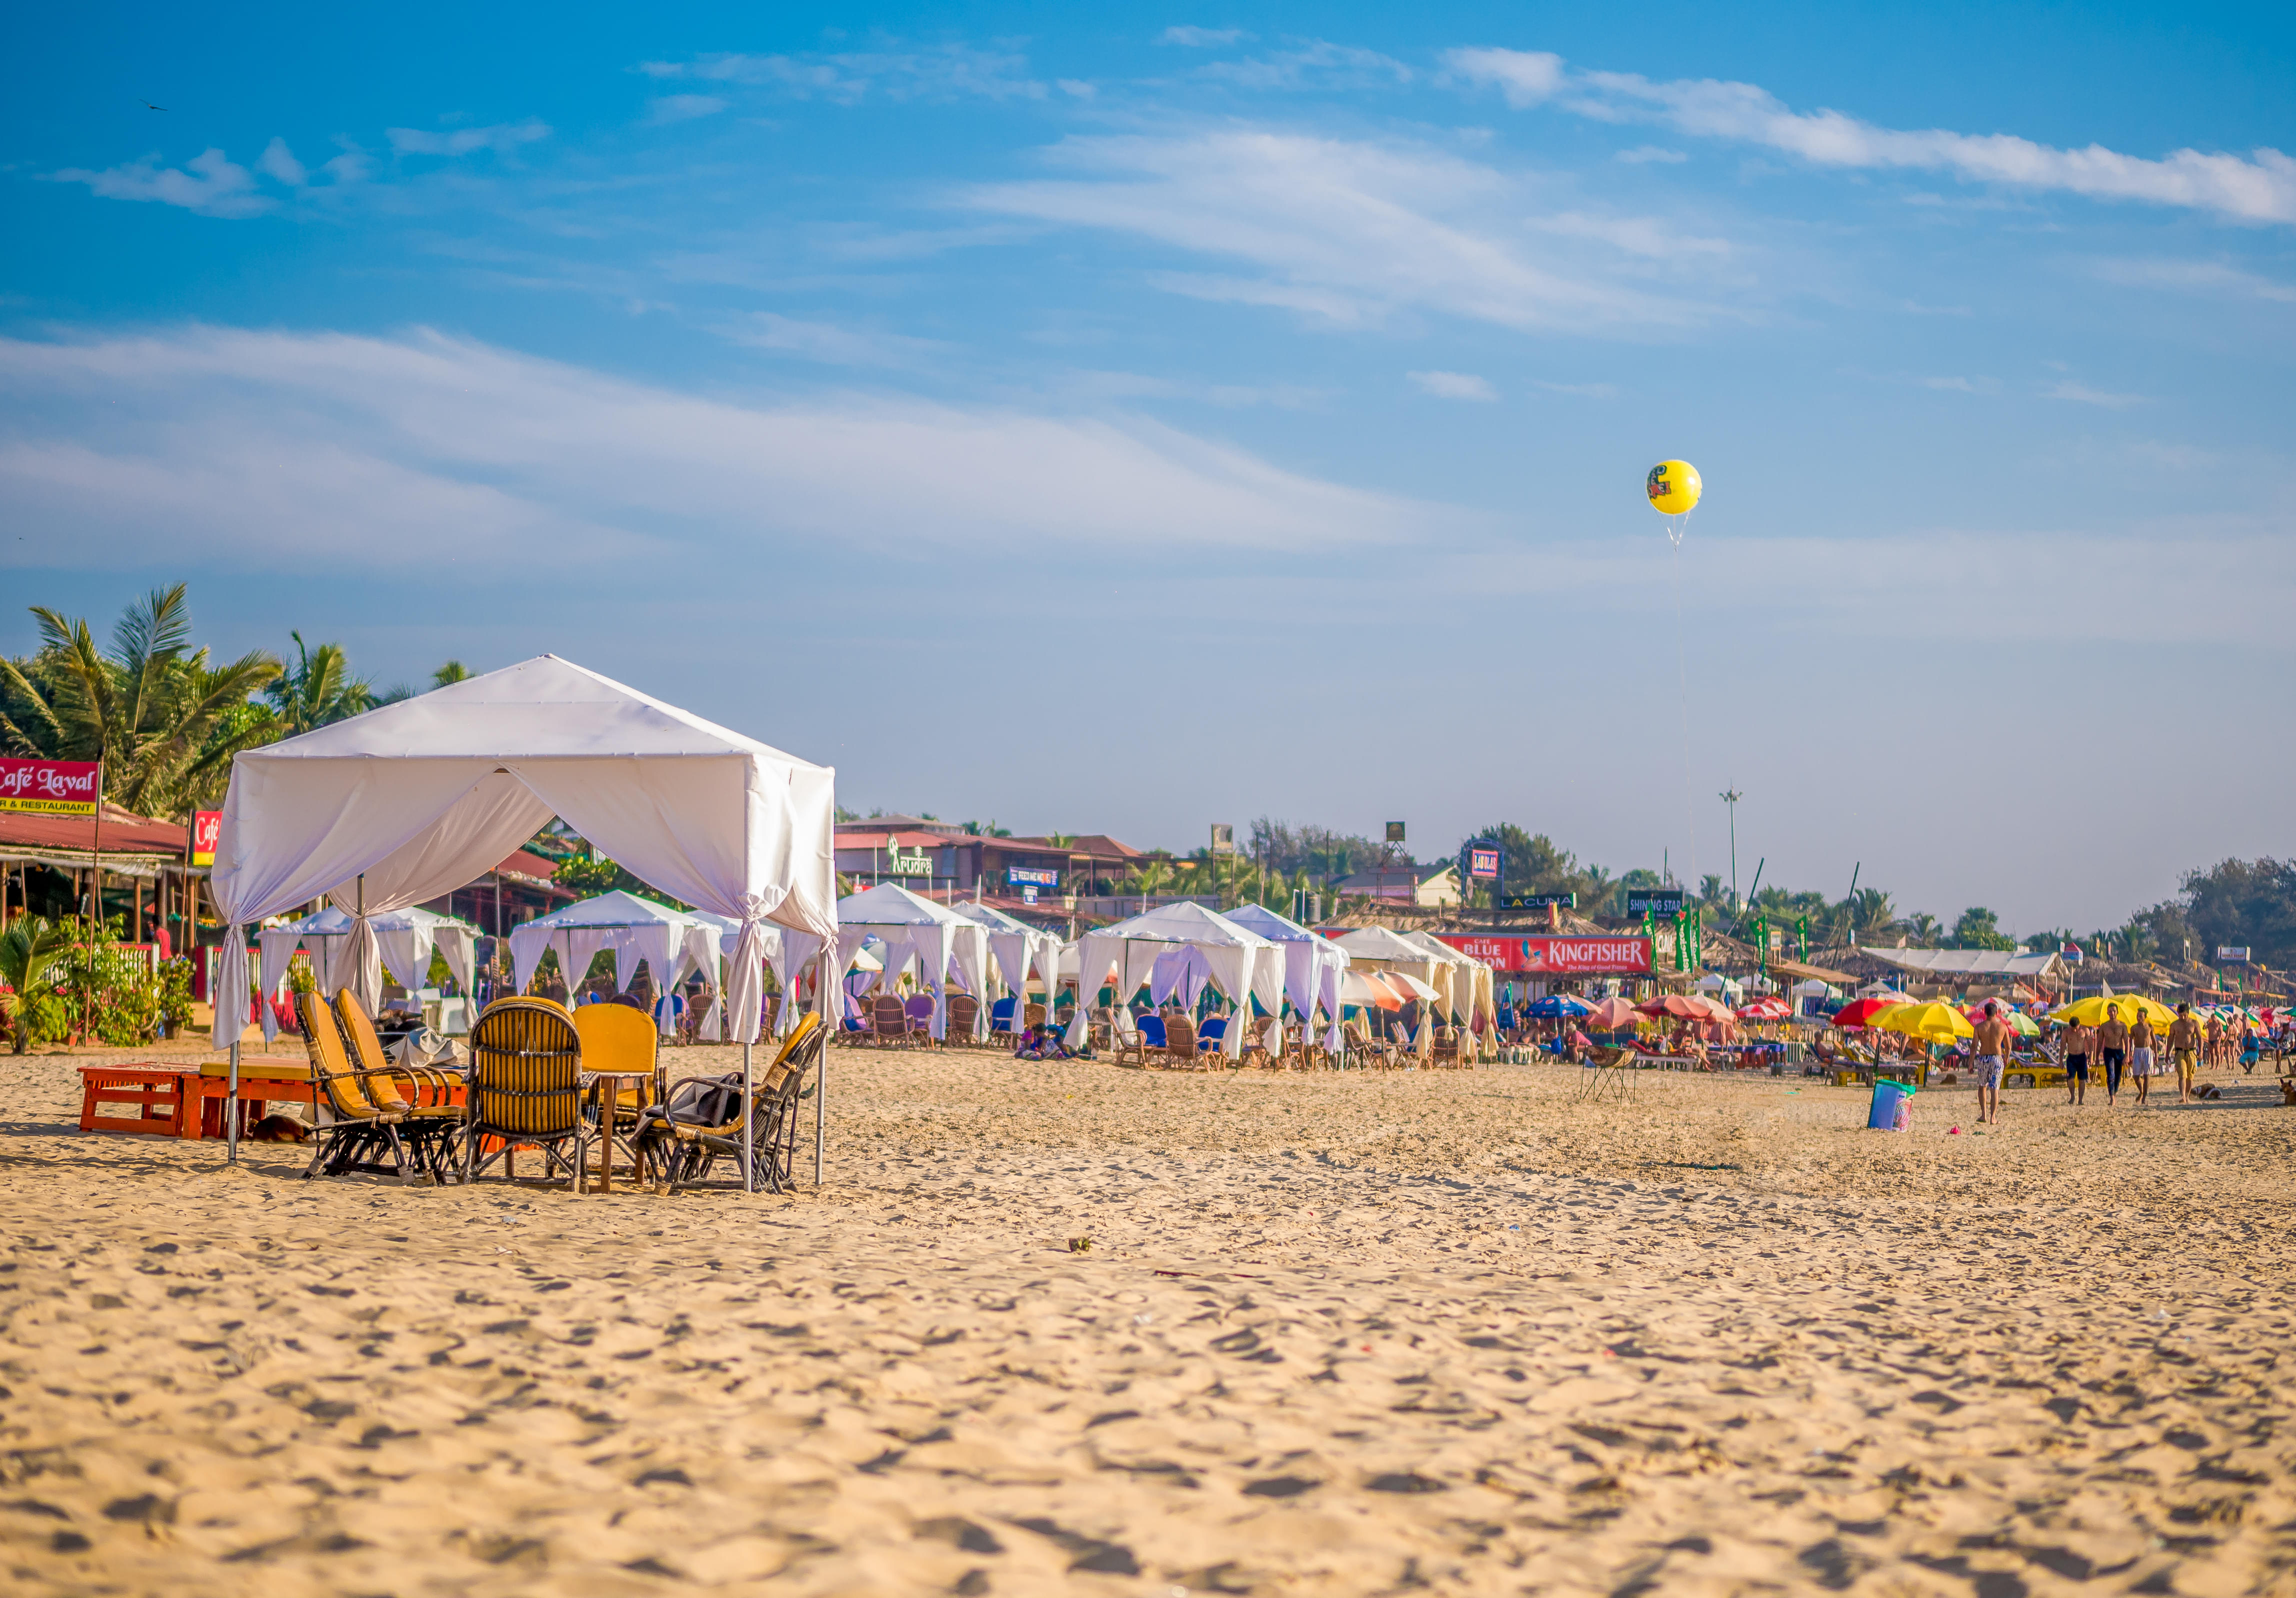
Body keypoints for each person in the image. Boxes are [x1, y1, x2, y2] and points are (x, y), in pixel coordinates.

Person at [1971, 1000, 2012, 1124]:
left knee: (1982, 1087)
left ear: (1985, 1013)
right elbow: (2008, 1046)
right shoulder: (2003, 1027)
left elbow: (1974, 1046)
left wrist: (1970, 1063)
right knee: (1995, 1089)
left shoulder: (1979, 1027)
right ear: (1997, 1013)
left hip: (1984, 1059)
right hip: (1997, 1058)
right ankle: (1993, 1117)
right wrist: (2007, 1057)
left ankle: (1984, 1115)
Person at [2168, 1003, 2203, 1104]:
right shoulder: (2174, 1025)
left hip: (2192, 1052)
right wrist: (2167, 1054)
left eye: (2185, 1015)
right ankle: (2183, 1096)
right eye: (2181, 1015)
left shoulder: (2194, 1023)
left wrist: (2201, 1052)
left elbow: (2200, 1038)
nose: (2183, 1017)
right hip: (2179, 1052)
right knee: (2182, 1075)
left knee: (2190, 1076)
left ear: (2188, 1013)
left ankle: (2187, 1096)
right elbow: (2170, 1040)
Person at [2097, 1004, 2129, 1104]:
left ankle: (2114, 1093)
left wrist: (2127, 1055)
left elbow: (2127, 1041)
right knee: (2111, 1075)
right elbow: (2099, 1042)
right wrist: (2097, 1057)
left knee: (2118, 1076)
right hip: (2109, 1051)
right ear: (2107, 1012)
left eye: (2114, 1011)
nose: (2112, 1013)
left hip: (2119, 1051)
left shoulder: (2122, 1026)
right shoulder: (2104, 1026)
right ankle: (2112, 1097)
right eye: (2110, 1011)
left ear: (2117, 1012)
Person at [2061, 1017, 2092, 1106]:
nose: (2074, 1031)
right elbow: (2063, 1046)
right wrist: (2060, 1061)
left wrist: (2091, 1058)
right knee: (2070, 1080)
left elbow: (2090, 1045)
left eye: (2076, 1029)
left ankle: (2081, 1100)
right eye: (2072, 1029)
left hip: (2082, 1057)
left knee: (2082, 1080)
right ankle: (2072, 1096)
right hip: (2071, 1057)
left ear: (2079, 1025)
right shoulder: (2066, 1032)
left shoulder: (2085, 1030)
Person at [2128, 1011, 2158, 1105]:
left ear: (2145, 1017)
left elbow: (2154, 1041)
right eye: (2137, 1016)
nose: (2139, 1018)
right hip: (2137, 1051)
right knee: (2136, 1077)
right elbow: (2130, 1041)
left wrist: (2156, 1055)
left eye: (2141, 1016)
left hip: (2147, 1051)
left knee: (2146, 1076)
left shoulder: (2149, 1027)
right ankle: (2141, 1092)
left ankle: (2144, 1098)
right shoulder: (2134, 1028)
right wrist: (2129, 1054)